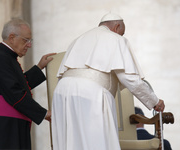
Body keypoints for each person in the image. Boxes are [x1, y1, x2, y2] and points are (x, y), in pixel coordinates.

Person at [51, 12, 165, 150]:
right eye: (121, 33)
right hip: (91, 93)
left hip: (62, 93)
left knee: (70, 142)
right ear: (117, 27)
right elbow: (129, 78)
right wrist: (154, 101)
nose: (121, 36)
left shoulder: (78, 39)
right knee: (96, 142)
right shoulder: (115, 39)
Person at [0, 18, 55, 149]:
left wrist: (39, 68)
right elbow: (14, 92)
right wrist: (43, 113)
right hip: (3, 128)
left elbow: (16, 85)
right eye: (25, 40)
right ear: (11, 37)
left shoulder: (6, 57)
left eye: (30, 41)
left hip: (10, 125)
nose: (29, 45)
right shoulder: (0, 58)